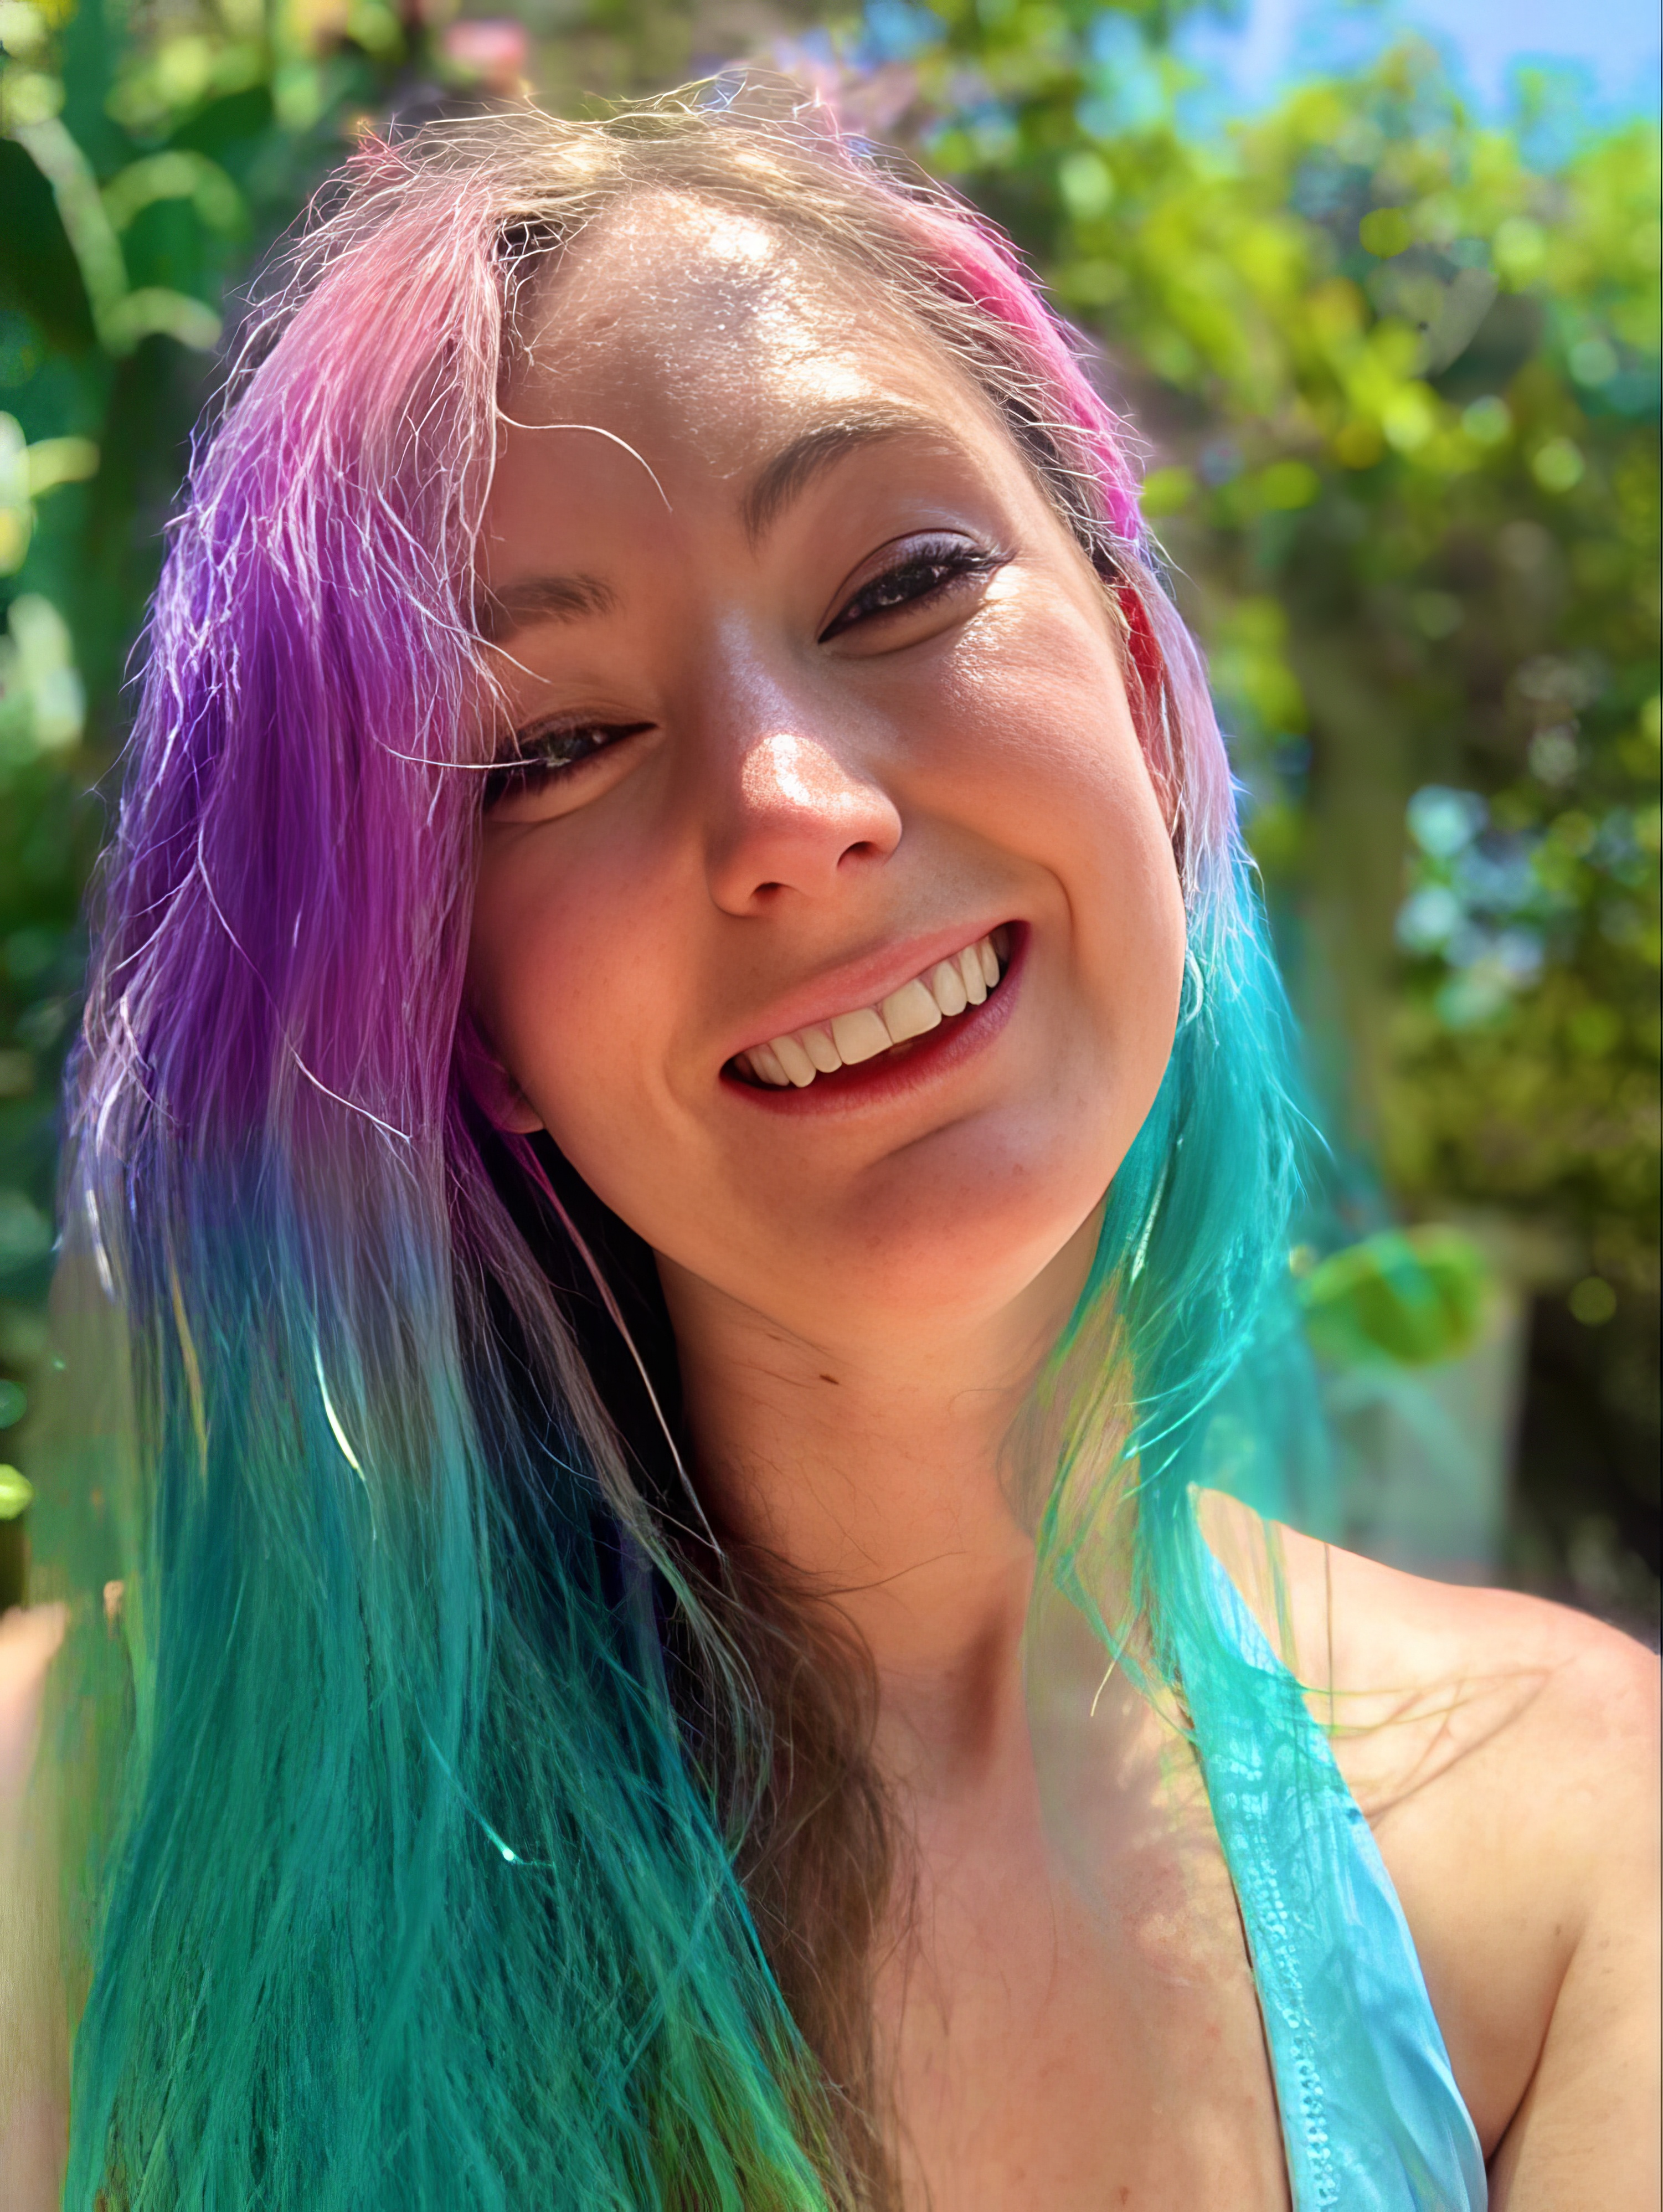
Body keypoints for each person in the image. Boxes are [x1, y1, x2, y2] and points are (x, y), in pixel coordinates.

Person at [2, 91, 1656, 2212]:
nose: (792, 804)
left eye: (898, 583)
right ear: (454, 1013)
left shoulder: (1573, 1839)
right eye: (554, 745)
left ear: (1148, 705)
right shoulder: (87, 1837)